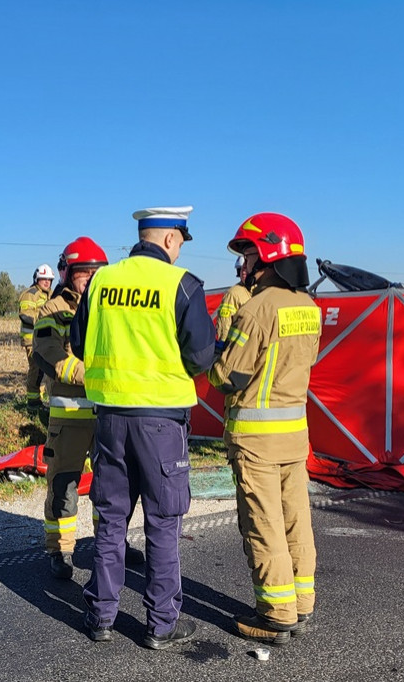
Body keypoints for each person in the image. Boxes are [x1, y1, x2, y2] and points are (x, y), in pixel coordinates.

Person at [70, 205, 216, 650]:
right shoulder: (182, 285)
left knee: (111, 520)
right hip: (161, 423)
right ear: (172, 239)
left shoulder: (101, 282)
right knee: (163, 522)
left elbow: (78, 342)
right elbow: (201, 358)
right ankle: (161, 624)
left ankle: (100, 617)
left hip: (110, 419)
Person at [208, 212, 322, 647]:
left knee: (263, 524)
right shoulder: (309, 308)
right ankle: (302, 602)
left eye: (249, 253)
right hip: (295, 434)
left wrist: (210, 364)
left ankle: (276, 615)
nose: (245, 264)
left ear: (268, 257)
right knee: (296, 519)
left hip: (256, 440)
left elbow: (228, 376)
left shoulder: (256, 310)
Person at [31, 237, 143, 579]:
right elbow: (51, 355)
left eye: (97, 272)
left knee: (111, 488)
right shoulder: (53, 311)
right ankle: (60, 550)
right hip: (69, 419)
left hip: (108, 416)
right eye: (84, 273)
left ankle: (111, 544)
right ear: (68, 274)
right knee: (64, 487)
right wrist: (96, 376)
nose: (91, 278)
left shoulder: (110, 308)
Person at [18, 264, 55, 406]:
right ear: (36, 279)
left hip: (46, 338)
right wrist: (44, 321)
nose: (47, 282)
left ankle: (43, 398)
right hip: (32, 339)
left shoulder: (51, 294)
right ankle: (33, 401)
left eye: (49, 280)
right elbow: (25, 315)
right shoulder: (30, 294)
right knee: (36, 368)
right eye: (43, 279)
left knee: (47, 369)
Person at [214, 255, 253, 350]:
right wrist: (225, 348)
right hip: (237, 349)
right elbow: (224, 325)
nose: (243, 272)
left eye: (246, 268)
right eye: (241, 269)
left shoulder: (261, 290)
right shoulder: (233, 294)